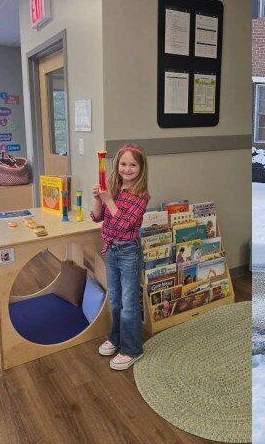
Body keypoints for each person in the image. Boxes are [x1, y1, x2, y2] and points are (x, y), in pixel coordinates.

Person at [91, 142, 150, 369]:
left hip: (128, 252)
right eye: (123, 164)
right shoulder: (113, 190)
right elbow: (97, 217)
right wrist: (99, 198)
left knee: (129, 304)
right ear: (117, 166)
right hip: (111, 250)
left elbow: (125, 223)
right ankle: (116, 339)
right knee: (115, 300)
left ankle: (132, 349)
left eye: (132, 165)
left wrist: (108, 200)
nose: (127, 169)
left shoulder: (141, 196)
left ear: (141, 168)